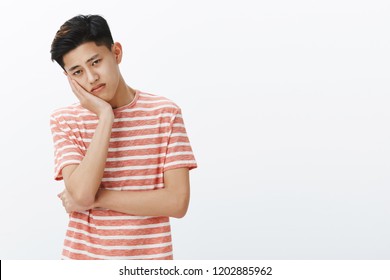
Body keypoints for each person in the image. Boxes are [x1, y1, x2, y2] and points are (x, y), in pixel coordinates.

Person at [49, 14, 197, 260]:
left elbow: (177, 202)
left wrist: (97, 200)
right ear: (69, 78)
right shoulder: (65, 120)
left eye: (95, 62)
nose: (91, 78)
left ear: (116, 52)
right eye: (77, 72)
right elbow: (82, 194)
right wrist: (105, 116)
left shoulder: (165, 113)